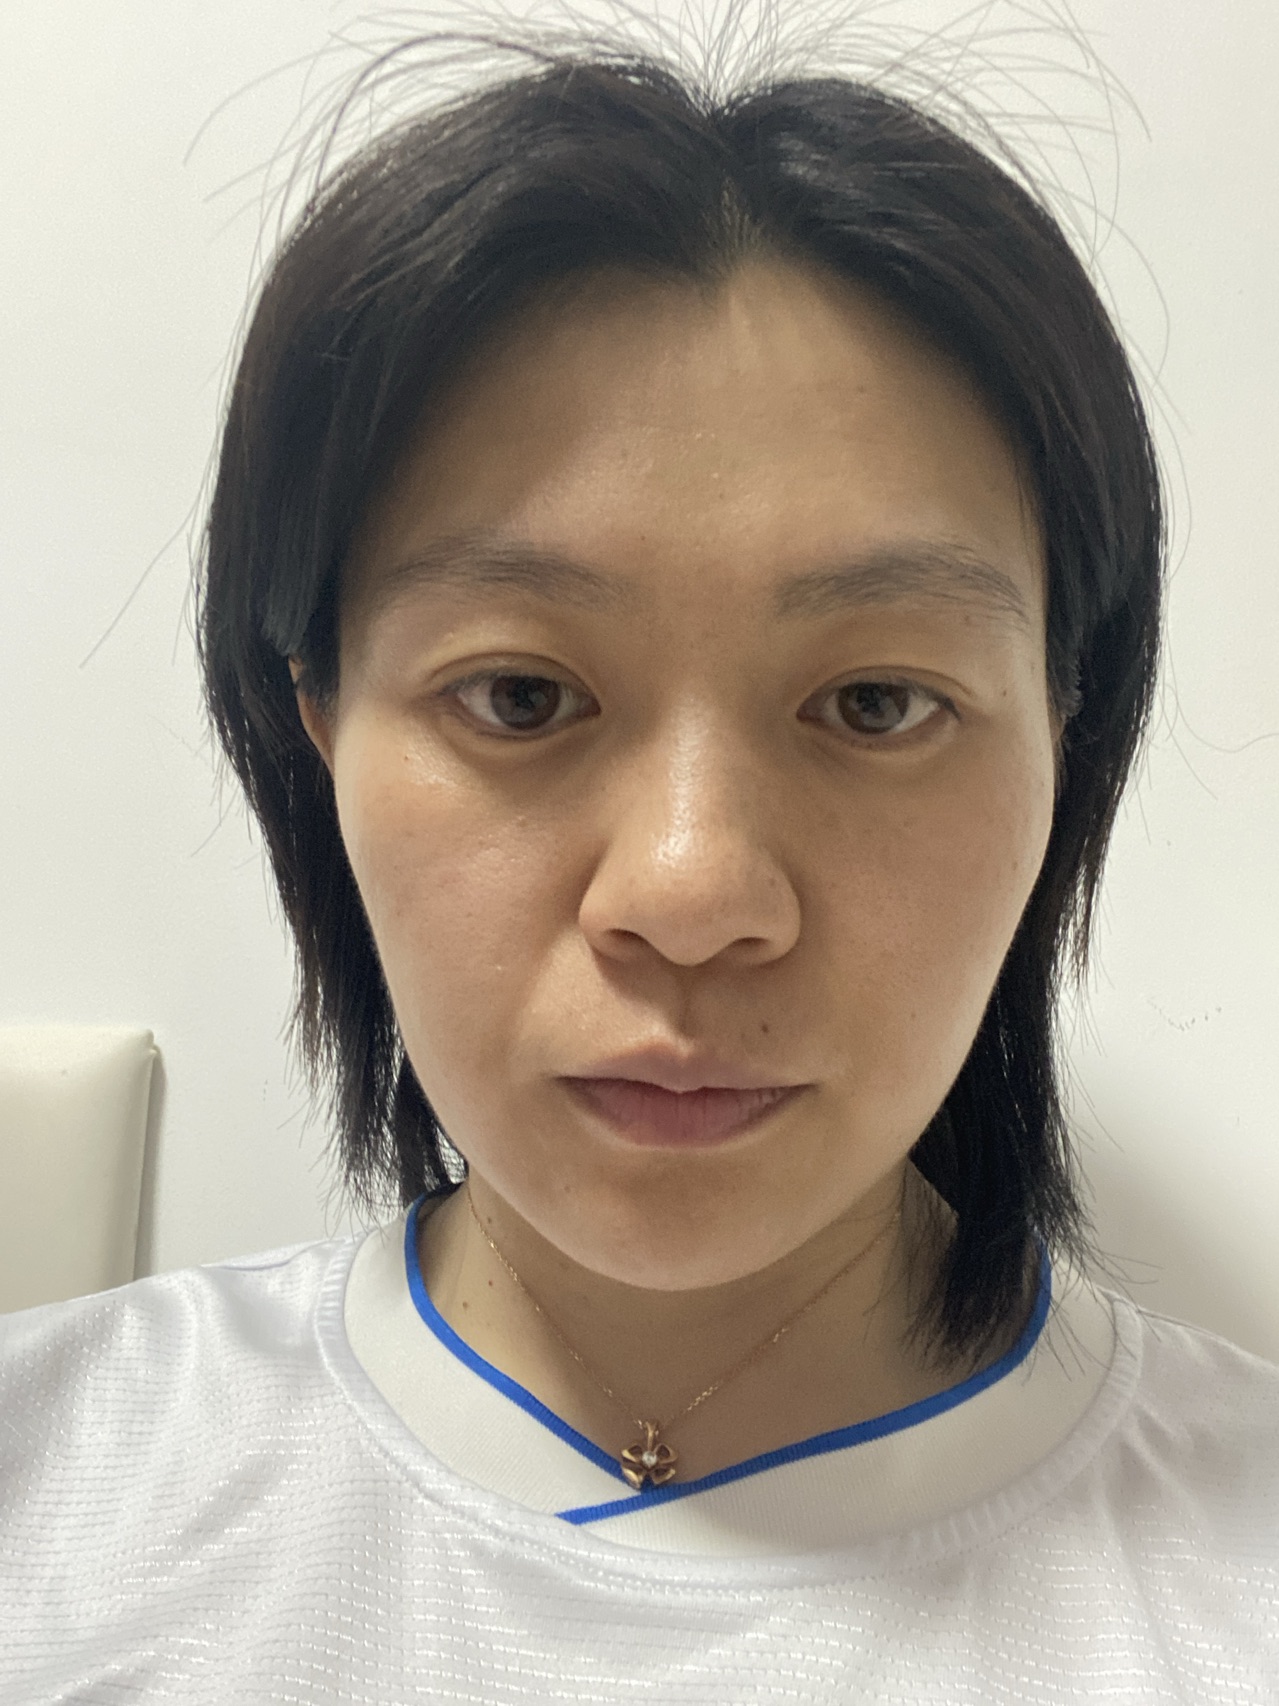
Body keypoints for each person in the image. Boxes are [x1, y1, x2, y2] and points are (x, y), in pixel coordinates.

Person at [2, 34, 1276, 1706]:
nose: (690, 891)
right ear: (316, 724)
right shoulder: (55, 1494)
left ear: (1065, 732)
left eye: (877, 701)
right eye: (520, 696)